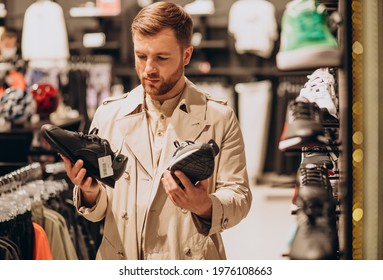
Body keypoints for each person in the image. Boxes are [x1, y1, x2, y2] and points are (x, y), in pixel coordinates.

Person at [61, 1, 252, 260]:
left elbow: (239, 197)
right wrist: (90, 191)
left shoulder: (218, 117)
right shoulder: (109, 114)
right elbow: (100, 208)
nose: (149, 69)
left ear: (186, 55)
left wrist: (204, 205)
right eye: (141, 56)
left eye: (161, 58)